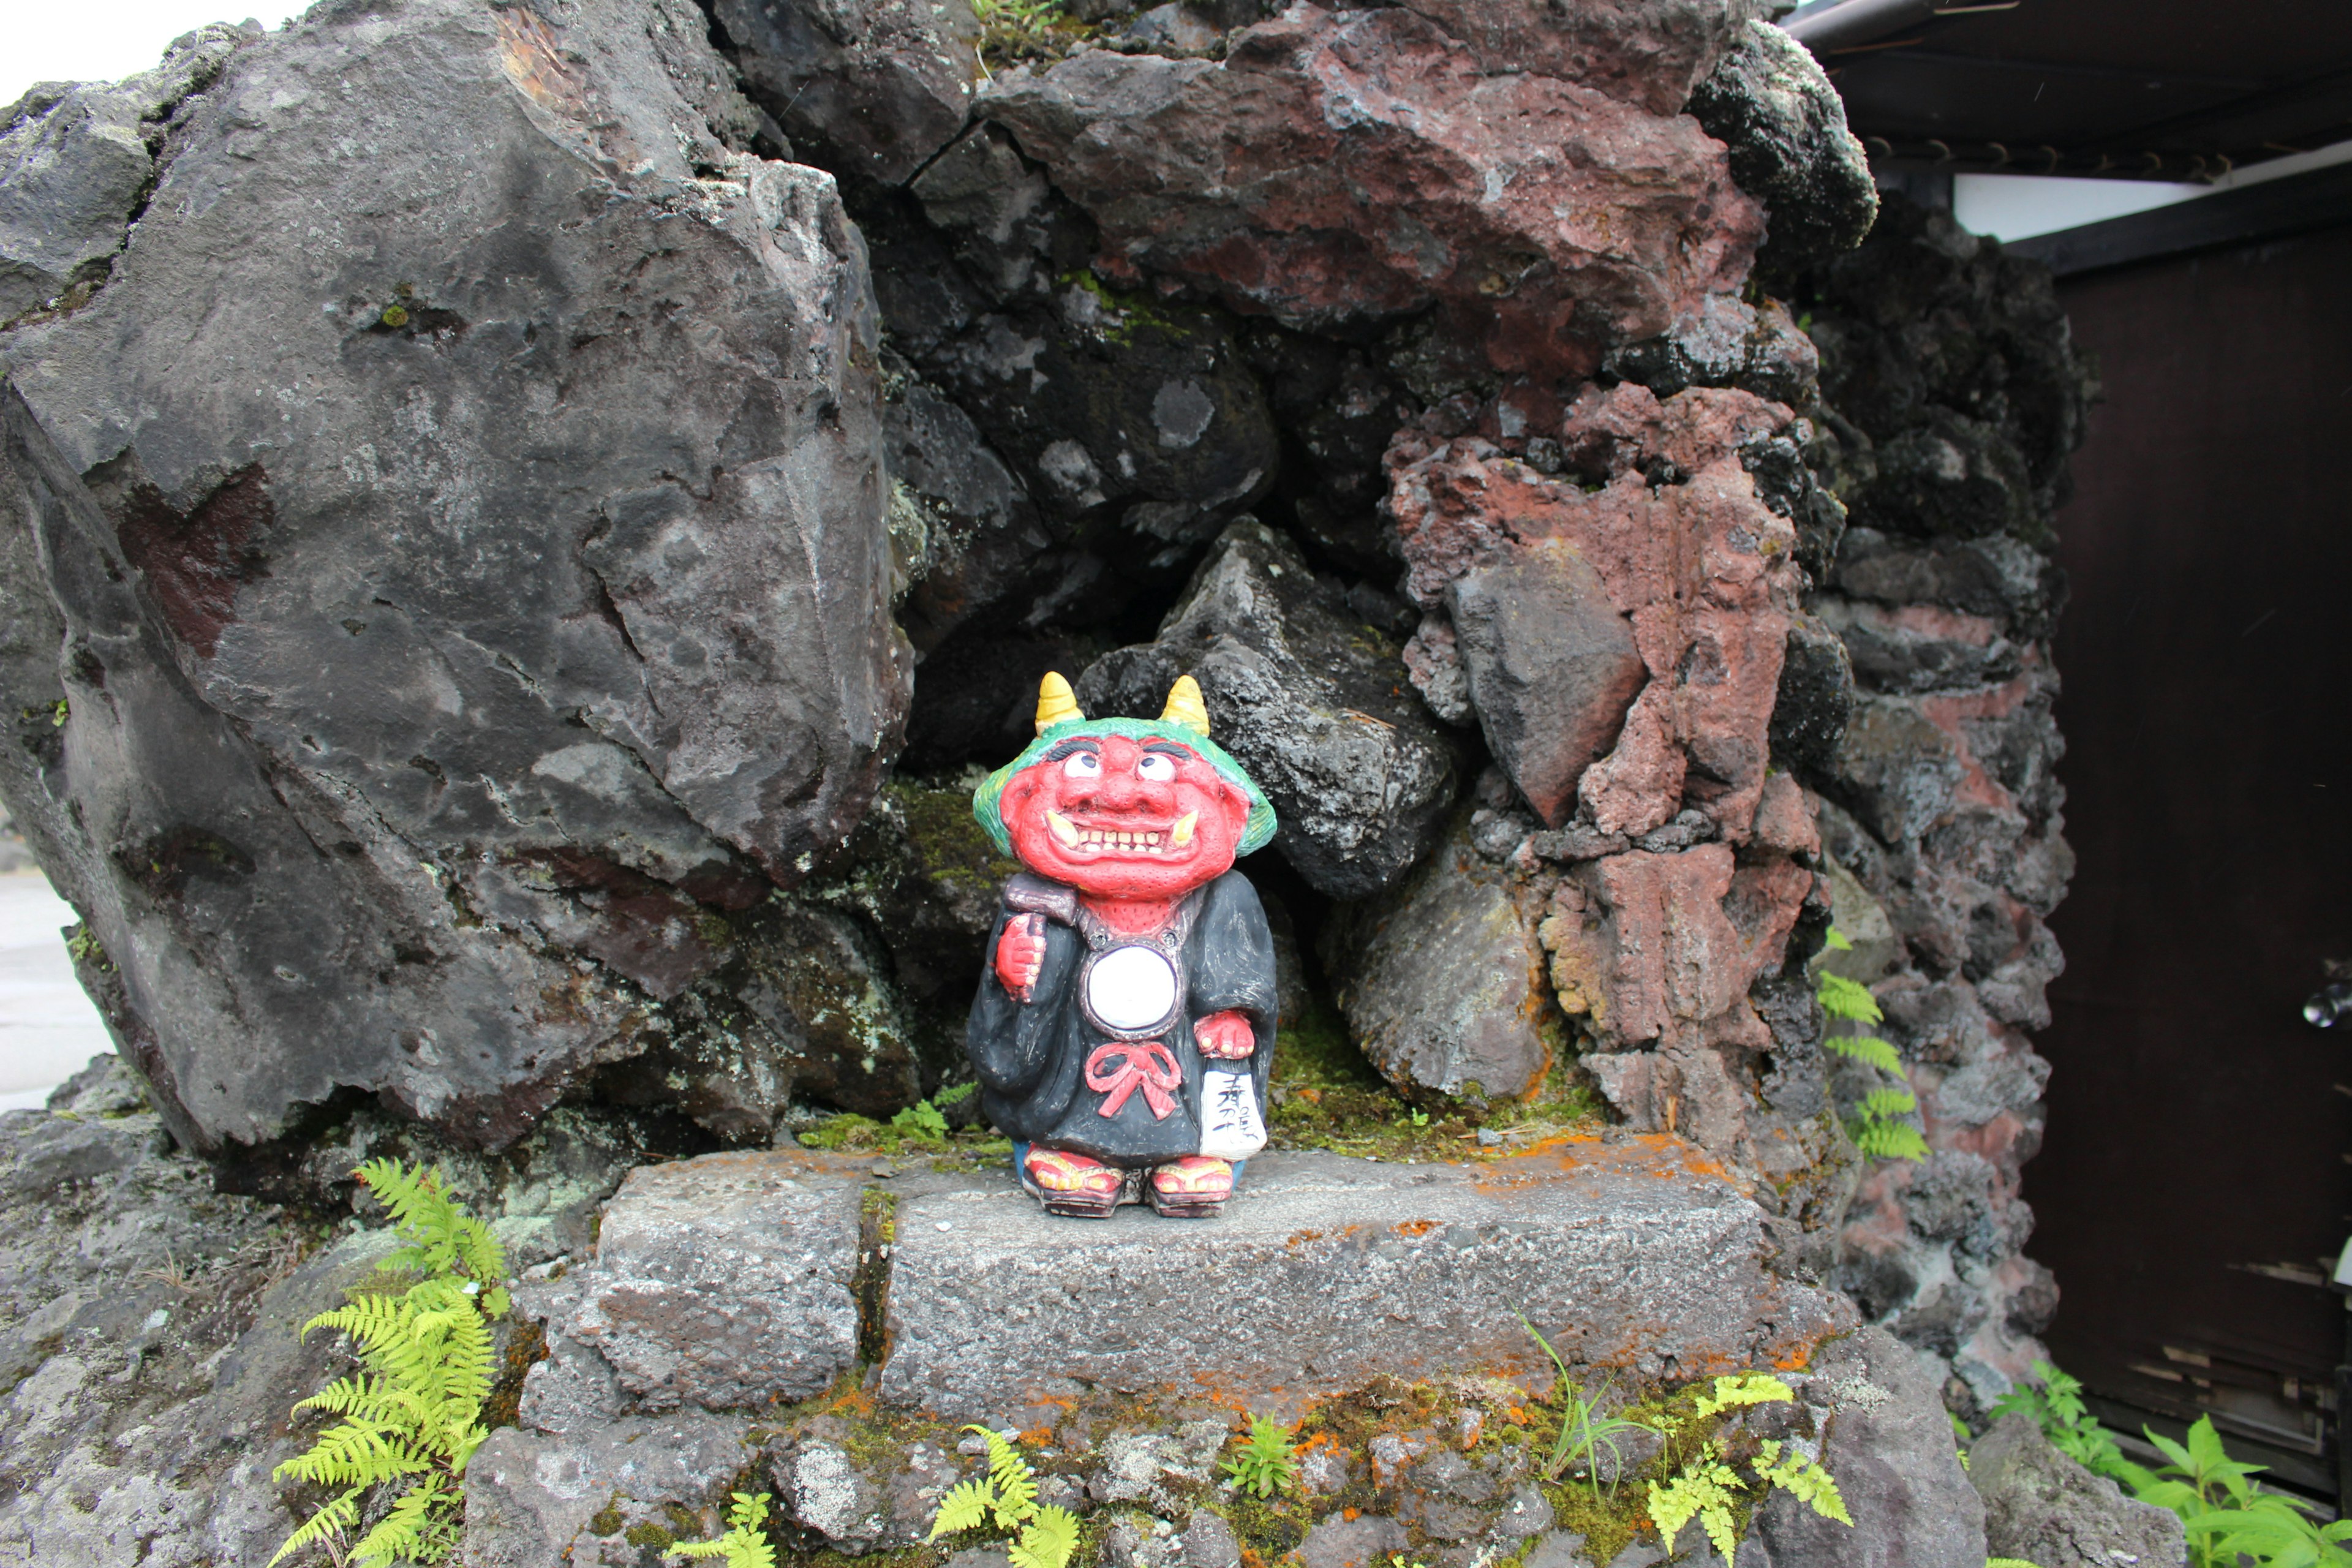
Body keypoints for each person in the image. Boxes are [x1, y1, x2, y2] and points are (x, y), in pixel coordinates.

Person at [965, 673, 1278, 1218]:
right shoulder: (1038, 902)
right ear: (1019, 803)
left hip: (1180, 1061)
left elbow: (1241, 968)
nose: (1118, 795)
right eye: (1084, 768)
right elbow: (1008, 1025)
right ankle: (1067, 1146)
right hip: (1074, 1074)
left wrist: (1232, 1013)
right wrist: (1016, 979)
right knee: (1045, 981)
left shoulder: (1224, 896)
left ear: (1229, 808)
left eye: (1154, 771)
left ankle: (1195, 1153)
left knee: (1221, 1055)